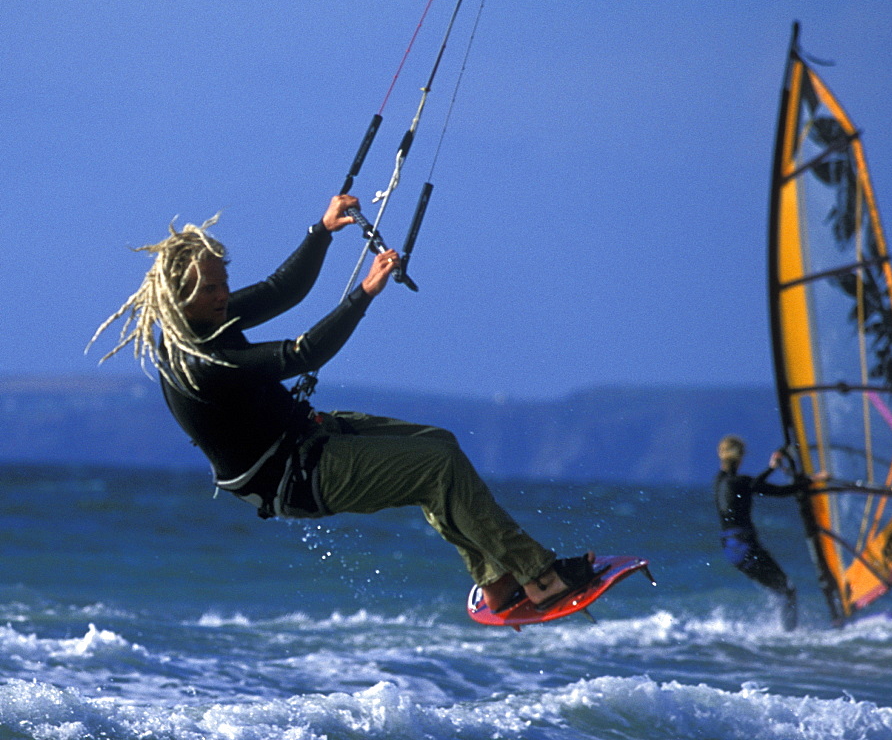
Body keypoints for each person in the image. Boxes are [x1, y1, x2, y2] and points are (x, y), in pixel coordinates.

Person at [88, 194, 594, 612]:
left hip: (308, 437)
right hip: (291, 477)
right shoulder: (197, 359)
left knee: (440, 447)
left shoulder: (207, 317)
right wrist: (365, 292)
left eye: (224, 282)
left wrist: (321, 231)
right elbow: (303, 352)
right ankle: (541, 577)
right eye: (213, 287)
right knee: (436, 468)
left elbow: (280, 290)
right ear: (181, 291)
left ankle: (497, 582)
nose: (224, 294)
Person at [714, 434, 799, 630]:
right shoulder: (741, 482)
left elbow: (751, 486)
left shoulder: (719, 481)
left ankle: (783, 629)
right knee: (788, 590)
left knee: (780, 590)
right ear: (741, 457)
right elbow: (780, 491)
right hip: (745, 547)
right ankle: (789, 636)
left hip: (732, 549)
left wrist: (771, 468)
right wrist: (812, 482)